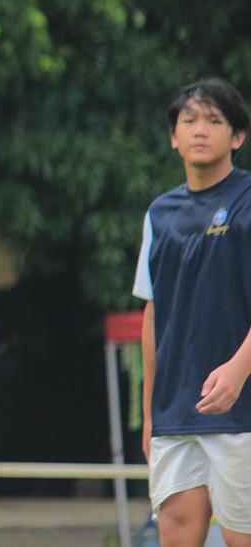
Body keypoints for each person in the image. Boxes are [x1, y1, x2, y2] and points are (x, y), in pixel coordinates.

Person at [132, 77, 251, 547]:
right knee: (177, 536)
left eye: (214, 120)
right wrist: (148, 415)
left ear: (236, 137)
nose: (200, 130)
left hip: (243, 414)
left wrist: (239, 371)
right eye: (189, 120)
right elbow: (152, 317)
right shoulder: (159, 214)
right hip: (175, 415)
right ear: (174, 136)